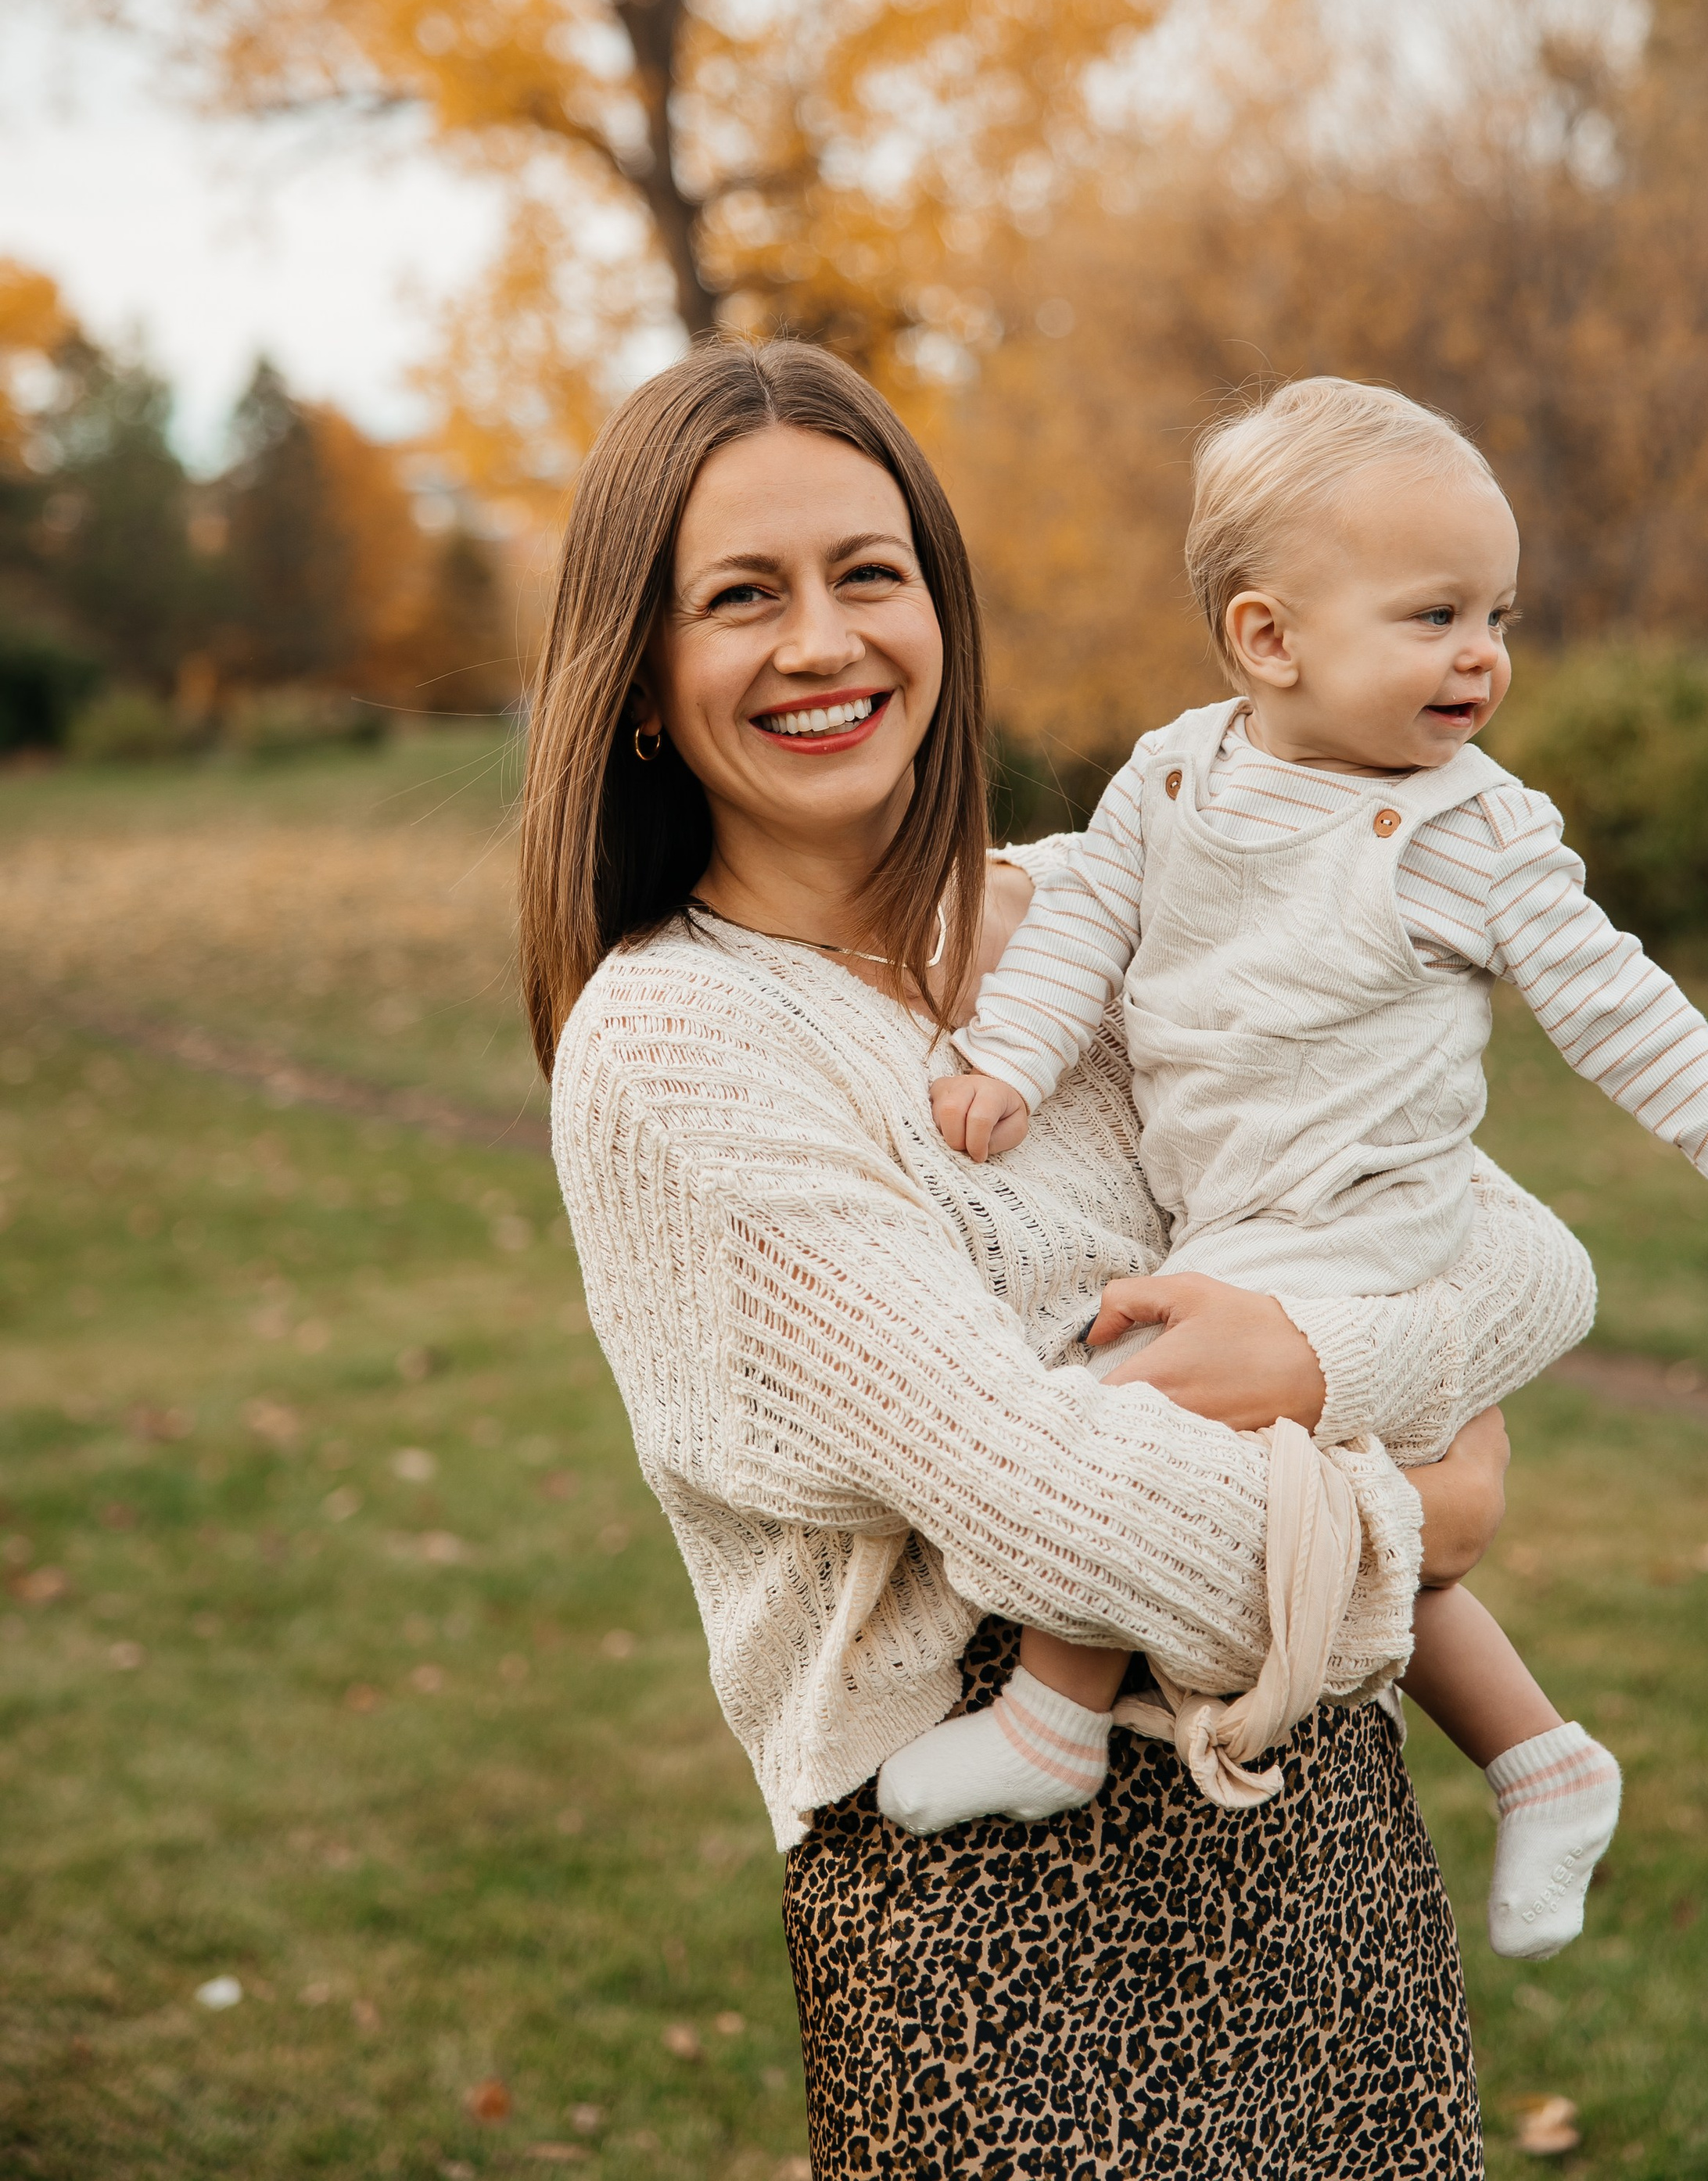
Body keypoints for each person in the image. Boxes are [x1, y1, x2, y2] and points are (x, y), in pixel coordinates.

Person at [520, 339, 1597, 2176]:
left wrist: (1322, 1369)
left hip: (1326, 1858)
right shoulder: (676, 1050)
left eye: (869, 574)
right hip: (999, 1947)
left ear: (939, 614)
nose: (821, 643)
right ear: (637, 675)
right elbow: (1064, 1518)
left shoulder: (1114, 914)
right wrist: (1430, 1504)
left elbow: (1525, 1257)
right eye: (741, 597)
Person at [890, 375, 1708, 1964]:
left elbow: (1616, 1005)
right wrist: (1007, 1063)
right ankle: (1543, 1758)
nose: (1481, 654)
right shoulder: (1173, 777)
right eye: (1433, 615)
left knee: (1129, 1412)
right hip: (1232, 1210)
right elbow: (1078, 934)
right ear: (1268, 639)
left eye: (1496, 615)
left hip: (1358, 1218)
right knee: (1342, 1509)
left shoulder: (1467, 835)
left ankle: (1052, 1722)